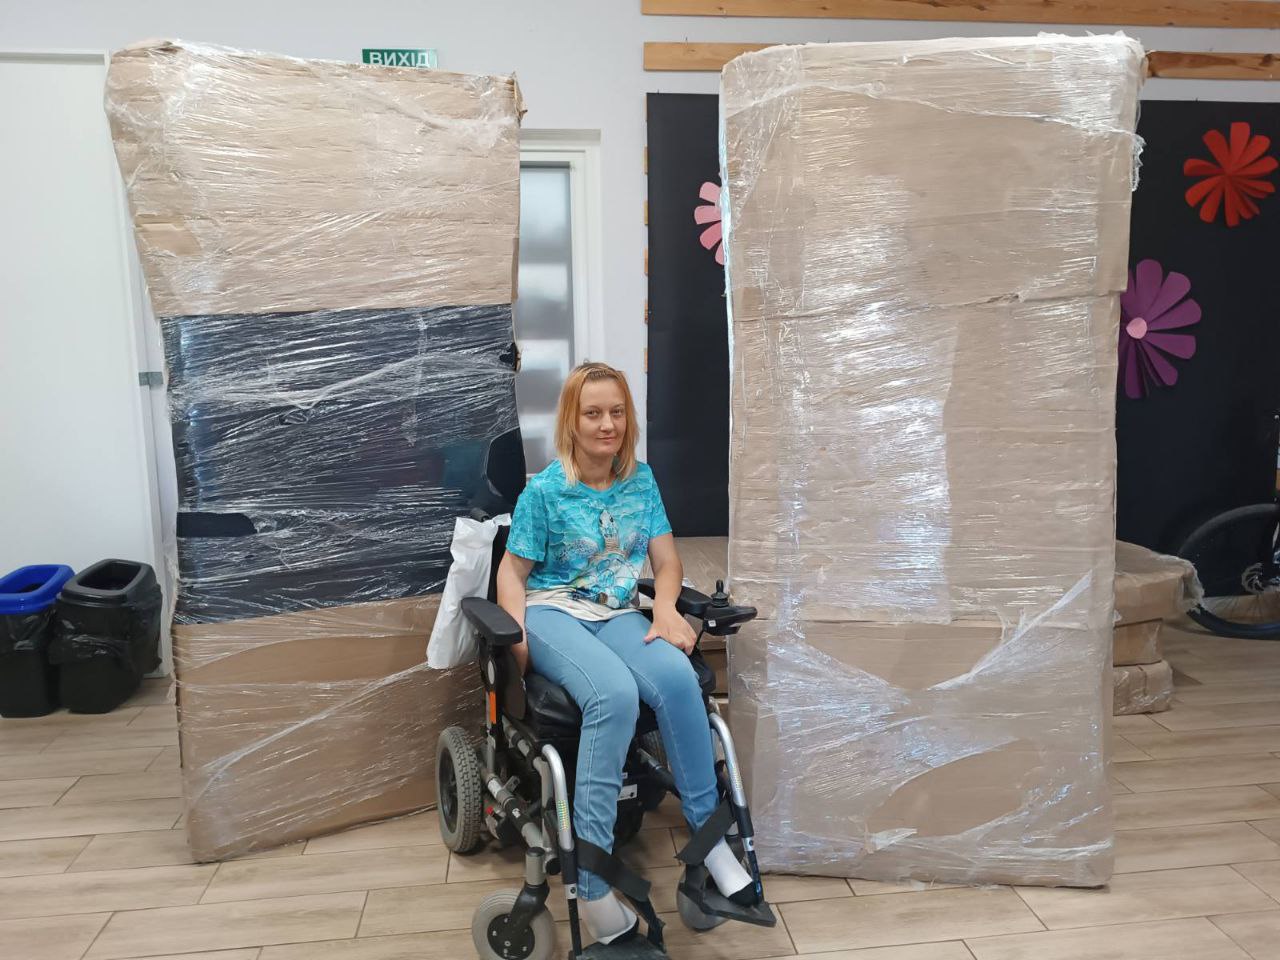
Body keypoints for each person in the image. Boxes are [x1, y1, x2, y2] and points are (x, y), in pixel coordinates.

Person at [496, 361, 755, 945]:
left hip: (616, 611)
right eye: (593, 413)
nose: (606, 424)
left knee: (681, 680)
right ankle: (591, 885)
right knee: (611, 695)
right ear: (572, 420)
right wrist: (518, 645)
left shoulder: (641, 481)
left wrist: (664, 609)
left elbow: (666, 562)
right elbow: (512, 574)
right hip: (553, 612)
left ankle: (710, 845)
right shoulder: (545, 490)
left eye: (616, 412)